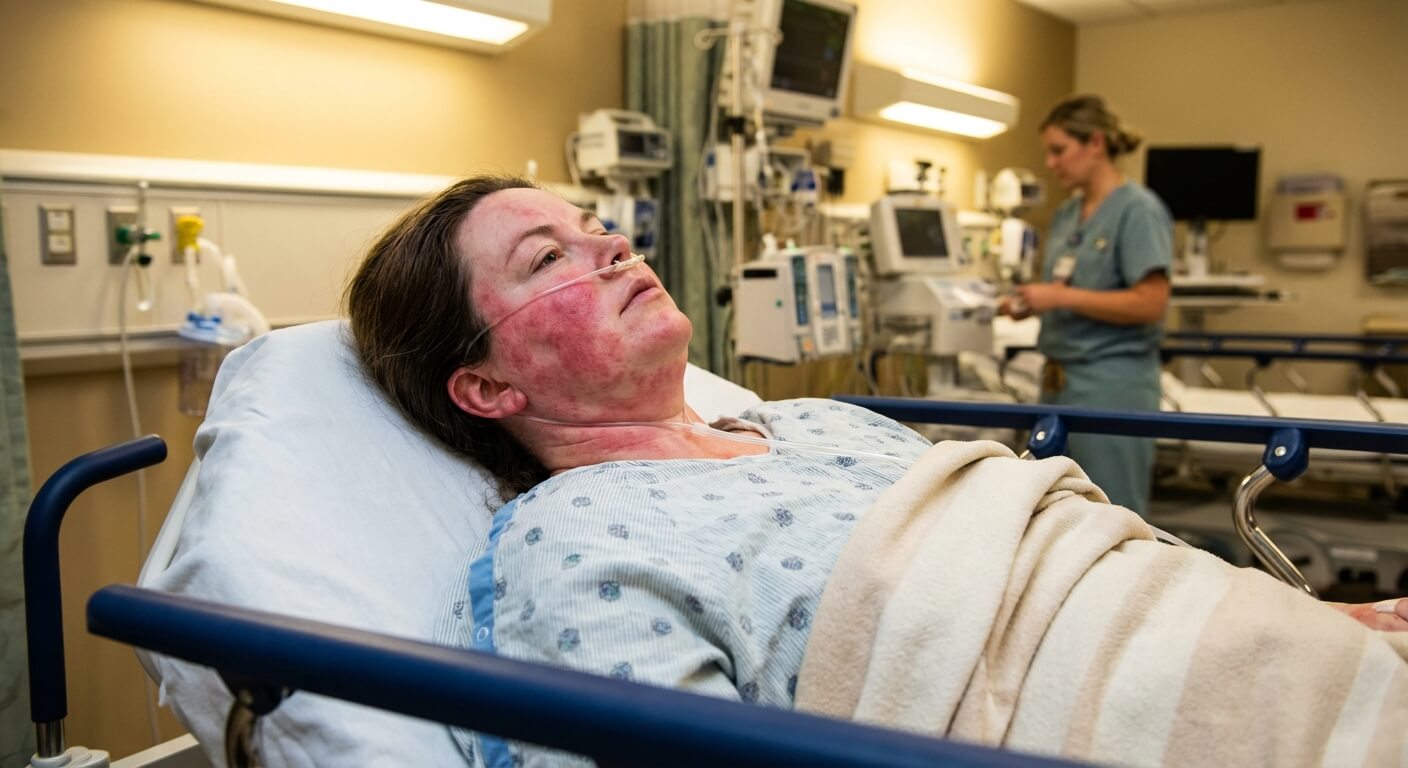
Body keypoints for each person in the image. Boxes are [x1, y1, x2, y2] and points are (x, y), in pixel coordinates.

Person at [345, 175, 1407, 767]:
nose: (613, 248)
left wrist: (1304, 625)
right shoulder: (572, 541)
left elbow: (1058, 553)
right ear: (485, 388)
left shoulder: (810, 421)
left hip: (1261, 645)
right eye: (546, 260)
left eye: (593, 228)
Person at [1000, 95, 1171, 515]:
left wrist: (1058, 297)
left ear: (1095, 143)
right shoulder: (1066, 214)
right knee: (1055, 512)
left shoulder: (1138, 210)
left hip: (1110, 386)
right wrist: (1034, 303)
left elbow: (1151, 303)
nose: (1051, 163)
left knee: (1113, 514)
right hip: (1058, 383)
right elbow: (1069, 286)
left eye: (1059, 150)